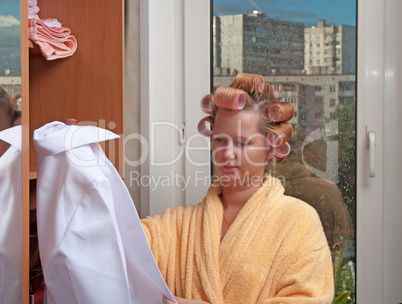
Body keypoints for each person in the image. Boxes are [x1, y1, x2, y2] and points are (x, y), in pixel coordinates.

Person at [141, 73, 334, 304]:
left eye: (242, 143)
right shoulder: (177, 227)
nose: (227, 154)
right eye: (220, 140)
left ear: (271, 148)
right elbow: (116, 244)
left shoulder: (298, 222)